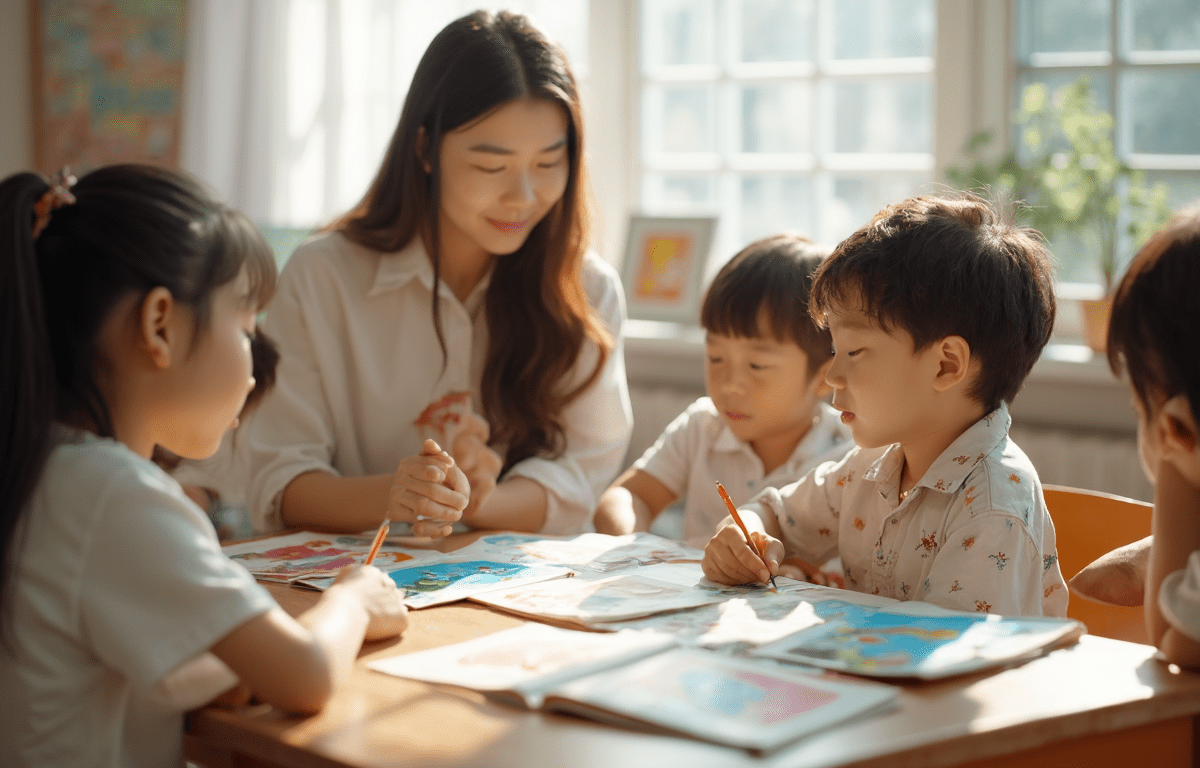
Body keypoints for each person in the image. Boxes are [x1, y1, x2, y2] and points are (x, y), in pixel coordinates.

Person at [0, 165, 427, 766]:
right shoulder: (113, 496)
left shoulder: (44, 467)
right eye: (247, 325)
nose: (255, 364)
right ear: (160, 326)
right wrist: (354, 598)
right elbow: (306, 676)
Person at [240, 10, 632, 537]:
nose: (523, 197)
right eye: (491, 167)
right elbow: (277, 479)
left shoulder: (585, 291)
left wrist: (476, 502)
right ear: (425, 149)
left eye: (547, 165)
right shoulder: (323, 276)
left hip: (516, 589)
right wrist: (396, 494)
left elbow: (582, 476)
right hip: (353, 586)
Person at [701, 193, 1069, 617]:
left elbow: (952, 663)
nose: (832, 375)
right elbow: (776, 514)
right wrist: (742, 533)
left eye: (853, 352)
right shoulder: (870, 466)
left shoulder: (993, 506)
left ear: (946, 365)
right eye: (833, 350)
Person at [593, 234, 853, 550]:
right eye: (715, 357)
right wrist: (636, 546)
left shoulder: (844, 455)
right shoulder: (703, 427)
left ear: (824, 376)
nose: (729, 383)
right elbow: (627, 496)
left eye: (757, 365)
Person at [1100, 205, 1200, 669]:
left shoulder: (1176, 445)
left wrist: (1175, 467)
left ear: (1173, 427)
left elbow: (1174, 638)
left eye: (1141, 408)